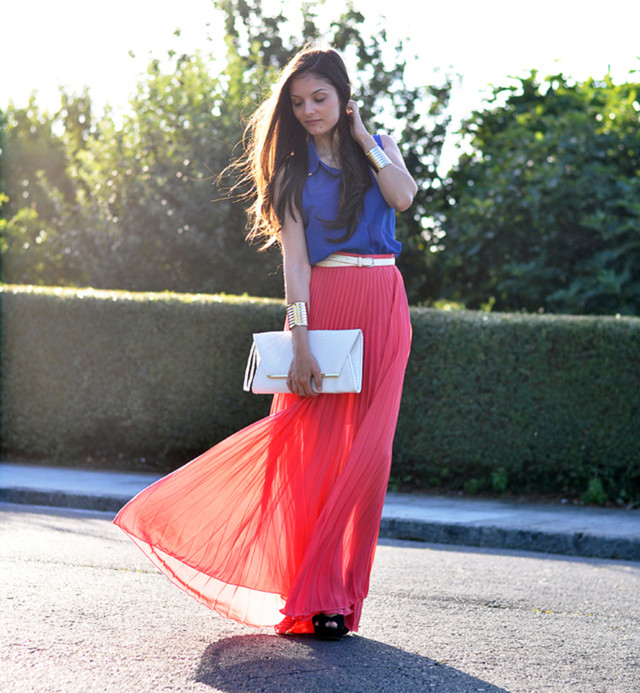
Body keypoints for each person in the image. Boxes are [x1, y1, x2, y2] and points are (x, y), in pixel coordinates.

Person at [113, 46, 417, 641]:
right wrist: (300, 339)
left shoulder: (376, 147)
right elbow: (296, 267)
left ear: (342, 96)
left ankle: (344, 593)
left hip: (386, 304)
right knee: (318, 454)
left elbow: (403, 197)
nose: (307, 110)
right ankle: (320, 596)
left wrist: (364, 138)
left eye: (319, 98)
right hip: (326, 308)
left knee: (371, 458)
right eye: (297, 102)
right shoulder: (290, 177)